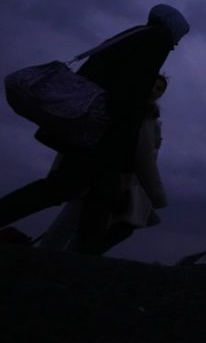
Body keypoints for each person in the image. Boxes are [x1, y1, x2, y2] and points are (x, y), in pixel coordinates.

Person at [0, 5, 188, 254]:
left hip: (89, 127)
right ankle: (84, 262)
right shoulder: (157, 39)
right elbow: (131, 86)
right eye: (179, 36)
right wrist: (119, 123)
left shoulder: (132, 35)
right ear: (173, 27)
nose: (175, 45)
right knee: (75, 191)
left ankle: (84, 260)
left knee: (91, 194)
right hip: (104, 133)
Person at [37, 75, 169, 254]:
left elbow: (147, 156)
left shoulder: (152, 120)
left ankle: (69, 258)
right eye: (153, 85)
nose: (155, 91)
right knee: (75, 219)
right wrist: (157, 195)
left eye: (160, 89)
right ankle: (52, 258)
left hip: (126, 183)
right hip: (98, 173)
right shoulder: (119, 106)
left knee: (115, 226)